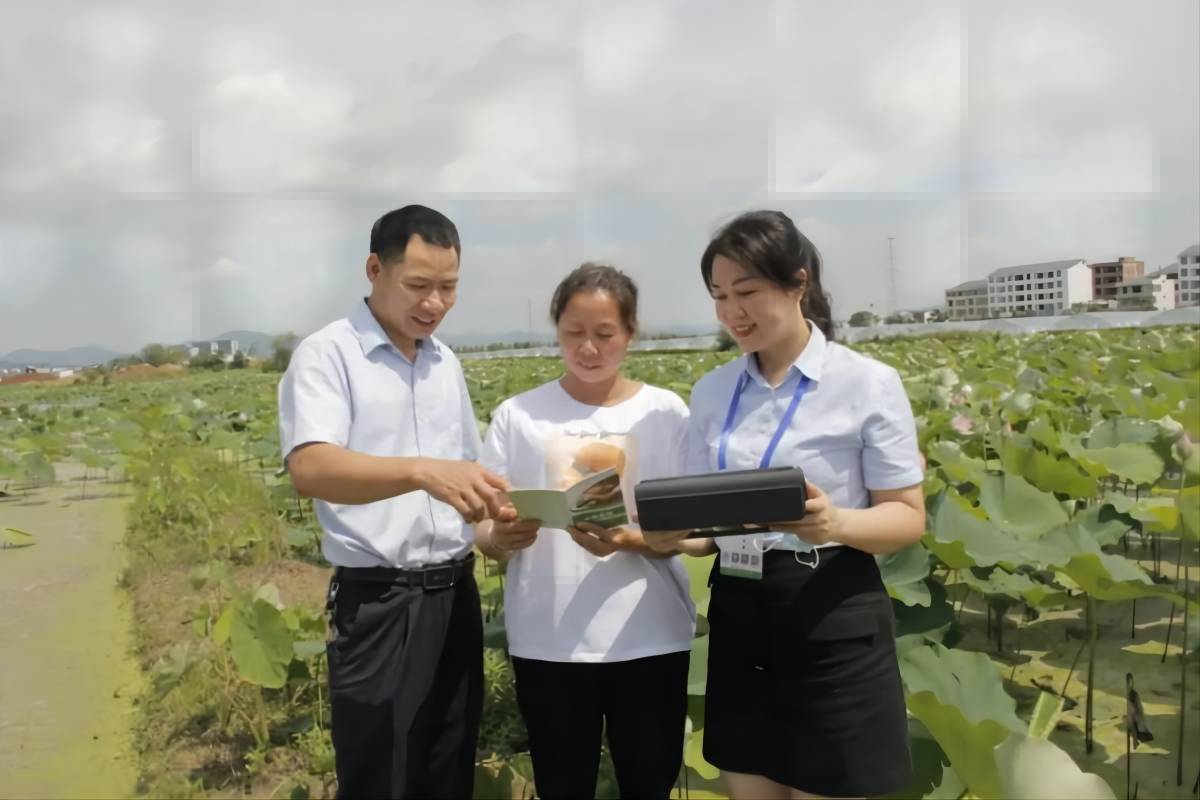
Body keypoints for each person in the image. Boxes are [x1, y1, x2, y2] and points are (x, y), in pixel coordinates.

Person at [646, 210, 925, 799]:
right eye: (719, 296)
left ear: (798, 283)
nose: (731, 313)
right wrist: (672, 537)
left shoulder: (868, 383)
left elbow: (907, 516)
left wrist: (835, 522)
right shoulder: (713, 391)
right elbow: (708, 528)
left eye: (746, 292)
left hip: (831, 612)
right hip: (740, 613)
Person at [277, 204, 509, 799]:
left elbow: (465, 477)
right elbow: (311, 467)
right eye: (419, 286)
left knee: (447, 766)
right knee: (381, 777)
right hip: (379, 603)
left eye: (448, 288)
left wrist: (499, 522)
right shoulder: (328, 355)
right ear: (375, 269)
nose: (434, 303)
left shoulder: (444, 362)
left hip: (454, 596)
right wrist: (417, 471)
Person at [474, 264, 697, 799]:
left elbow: (697, 527)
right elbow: (482, 524)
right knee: (561, 783)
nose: (589, 348)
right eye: (575, 333)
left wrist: (636, 540)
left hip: (651, 634)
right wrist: (497, 538)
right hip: (549, 639)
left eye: (605, 334)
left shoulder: (665, 412)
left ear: (630, 333)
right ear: (556, 330)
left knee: (650, 782)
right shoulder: (518, 416)